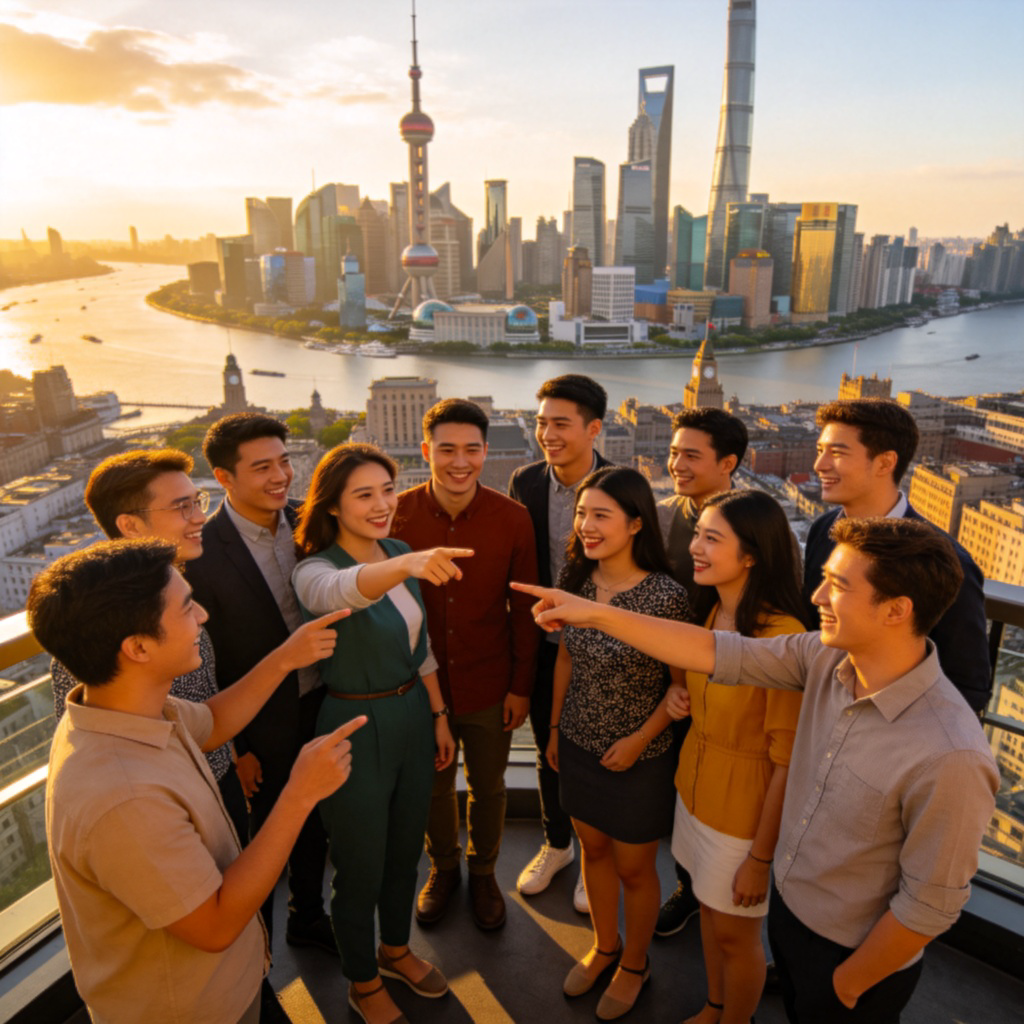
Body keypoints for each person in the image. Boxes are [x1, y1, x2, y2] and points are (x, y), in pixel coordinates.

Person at [514, 516, 998, 1024]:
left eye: (838, 585)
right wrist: (593, 613)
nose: (818, 598)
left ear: (898, 610)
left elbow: (930, 906)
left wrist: (847, 985)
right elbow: (717, 652)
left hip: (854, 958)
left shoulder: (951, 755)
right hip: (791, 919)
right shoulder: (824, 661)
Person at [33, 538, 364, 1024]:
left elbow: (211, 721)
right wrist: (300, 793)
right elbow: (213, 925)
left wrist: (284, 658)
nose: (203, 617)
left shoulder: (121, 708)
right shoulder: (123, 798)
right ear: (138, 647)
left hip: (229, 985)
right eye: (187, 608)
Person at [292, 442, 459, 1024]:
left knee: (404, 849)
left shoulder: (400, 550)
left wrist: (438, 716)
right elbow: (341, 593)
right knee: (359, 863)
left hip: (412, 712)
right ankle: (361, 979)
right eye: (364, 494)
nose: (383, 503)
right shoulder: (315, 568)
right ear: (333, 506)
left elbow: (423, 648)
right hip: (353, 724)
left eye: (388, 490)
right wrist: (405, 566)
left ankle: (395, 949)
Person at [185, 413, 334, 999]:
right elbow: (204, 665)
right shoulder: (200, 554)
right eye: (262, 467)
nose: (281, 476)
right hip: (255, 722)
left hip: (319, 698)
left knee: (315, 819)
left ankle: (309, 916)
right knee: (259, 845)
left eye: (284, 461)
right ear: (223, 477)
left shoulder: (306, 521)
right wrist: (235, 747)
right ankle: (258, 968)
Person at [391, 399, 539, 931]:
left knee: (490, 785)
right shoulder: (396, 515)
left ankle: (484, 874)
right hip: (416, 686)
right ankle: (444, 869)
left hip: (489, 681)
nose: (460, 462)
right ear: (426, 450)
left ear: (486, 451)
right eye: (447, 450)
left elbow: (524, 611)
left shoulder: (512, 519)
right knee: (431, 785)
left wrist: (520, 687)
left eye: (472, 450)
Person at [549, 466, 689, 1020]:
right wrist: (557, 730)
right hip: (579, 744)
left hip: (640, 757)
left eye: (600, 515)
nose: (586, 524)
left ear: (635, 524)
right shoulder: (577, 580)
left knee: (636, 869)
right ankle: (604, 946)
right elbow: (565, 657)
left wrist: (638, 740)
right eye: (582, 513)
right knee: (593, 851)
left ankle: (635, 962)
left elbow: (679, 689)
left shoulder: (666, 596)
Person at [666, 490, 805, 1024]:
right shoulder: (713, 615)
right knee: (708, 911)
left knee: (737, 934)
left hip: (742, 813)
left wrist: (760, 858)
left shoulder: (782, 638)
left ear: (751, 556)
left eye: (711, 539)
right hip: (696, 789)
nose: (695, 548)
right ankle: (715, 1007)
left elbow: (786, 761)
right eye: (698, 533)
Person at [803, 398, 991, 713]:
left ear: (885, 462)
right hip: (820, 720)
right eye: (820, 450)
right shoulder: (823, 530)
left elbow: (968, 687)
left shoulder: (947, 561)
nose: (819, 465)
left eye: (836, 453)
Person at [509, 373, 609, 911]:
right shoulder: (525, 481)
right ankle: (557, 844)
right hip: (545, 645)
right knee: (547, 749)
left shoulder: (619, 485)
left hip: (601, 647)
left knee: (592, 749)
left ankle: (595, 856)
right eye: (542, 422)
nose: (547, 433)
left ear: (593, 429)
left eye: (561, 424)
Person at [654, 407, 749, 939]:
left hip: (730, 680)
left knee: (721, 796)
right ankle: (689, 887)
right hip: (672, 680)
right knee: (682, 792)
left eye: (691, 455)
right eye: (674, 453)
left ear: (728, 463)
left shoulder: (753, 520)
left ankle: (721, 894)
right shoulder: (667, 513)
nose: (676, 464)